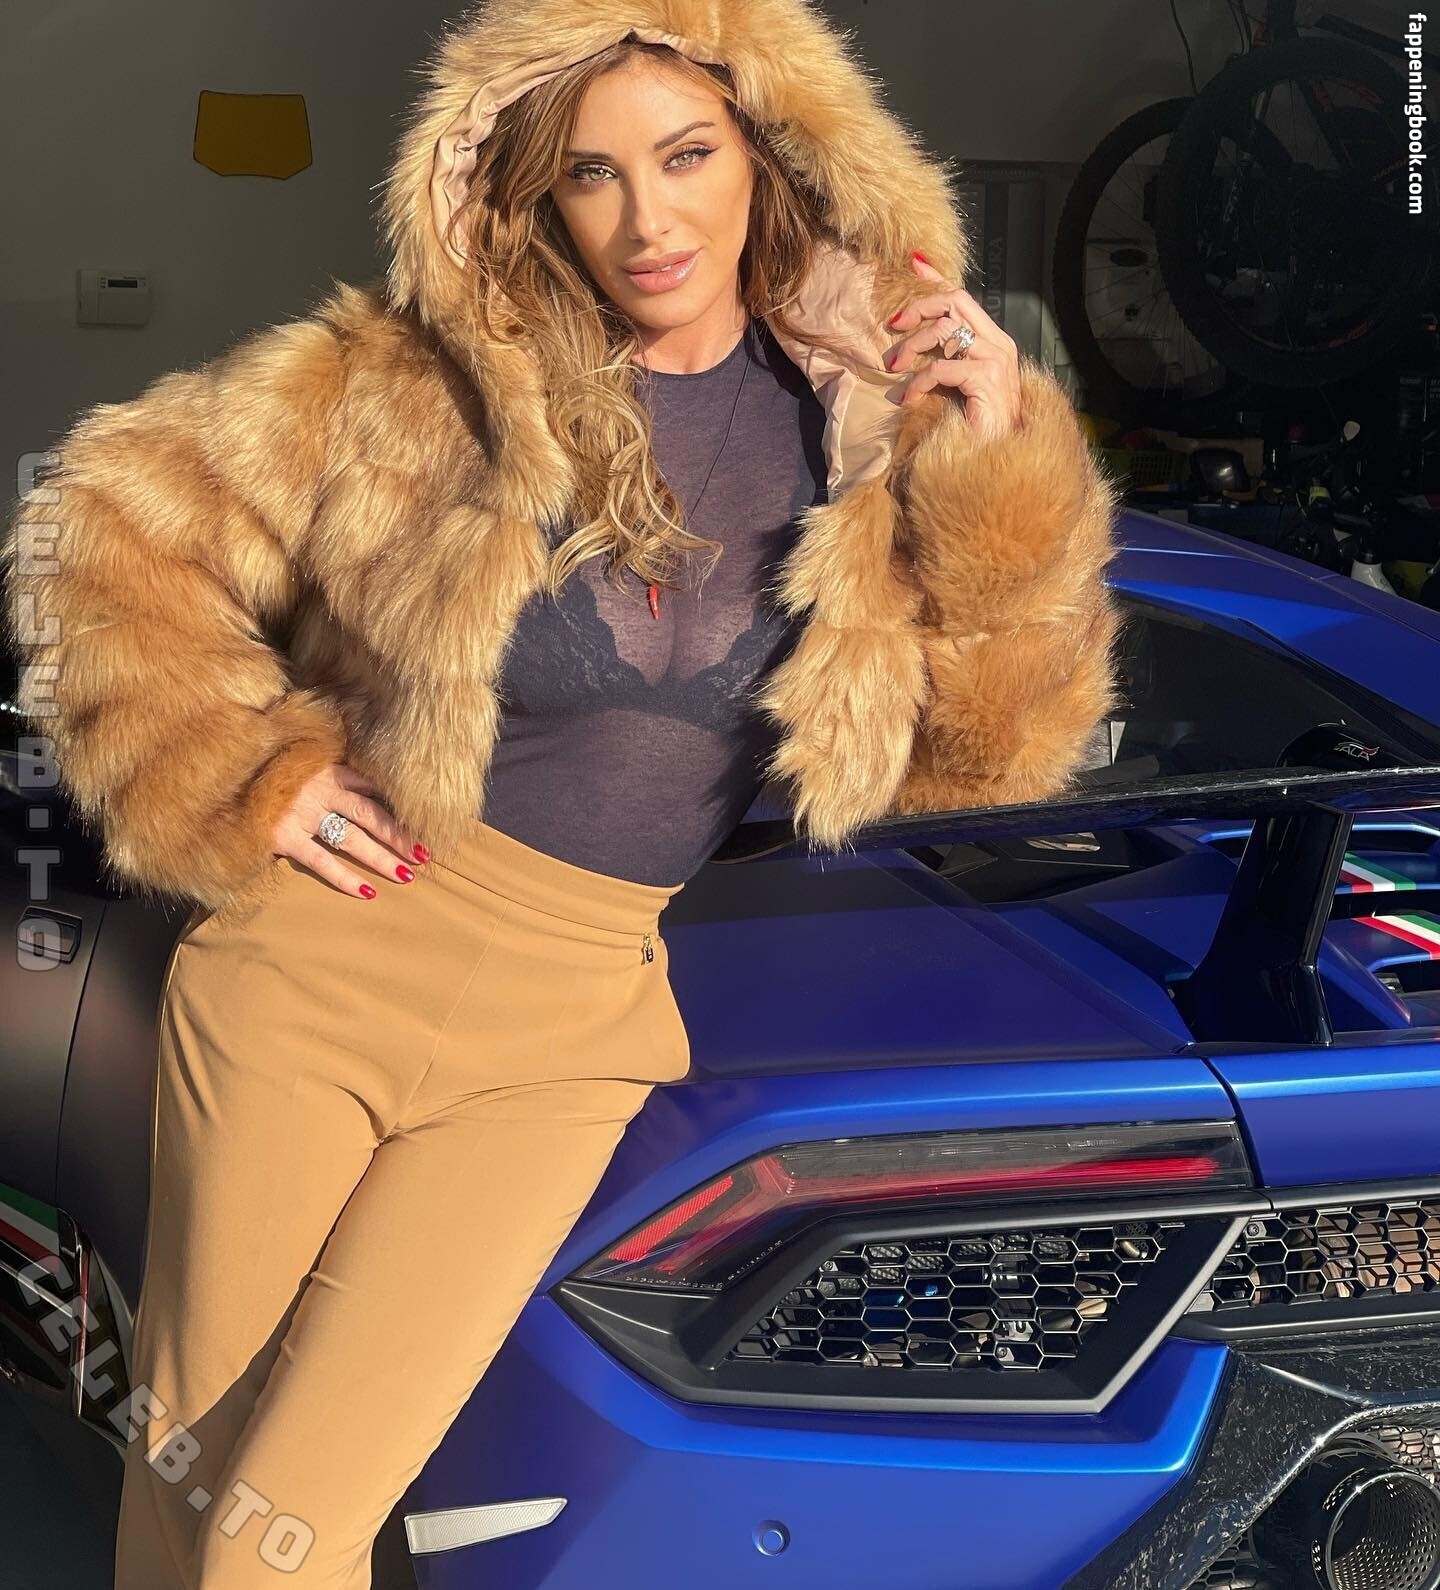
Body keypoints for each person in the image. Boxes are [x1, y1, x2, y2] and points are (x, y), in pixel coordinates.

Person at [1, 0, 1123, 1584]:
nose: (648, 218)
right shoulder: (420, 387)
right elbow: (98, 527)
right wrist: (246, 771)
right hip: (317, 972)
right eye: (594, 174)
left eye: (686, 156)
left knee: (292, 1517)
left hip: (566, 1038)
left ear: (770, 157)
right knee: (195, 1478)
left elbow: (993, 755)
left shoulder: (869, 434)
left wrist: (1002, 465)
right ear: (537, 196)